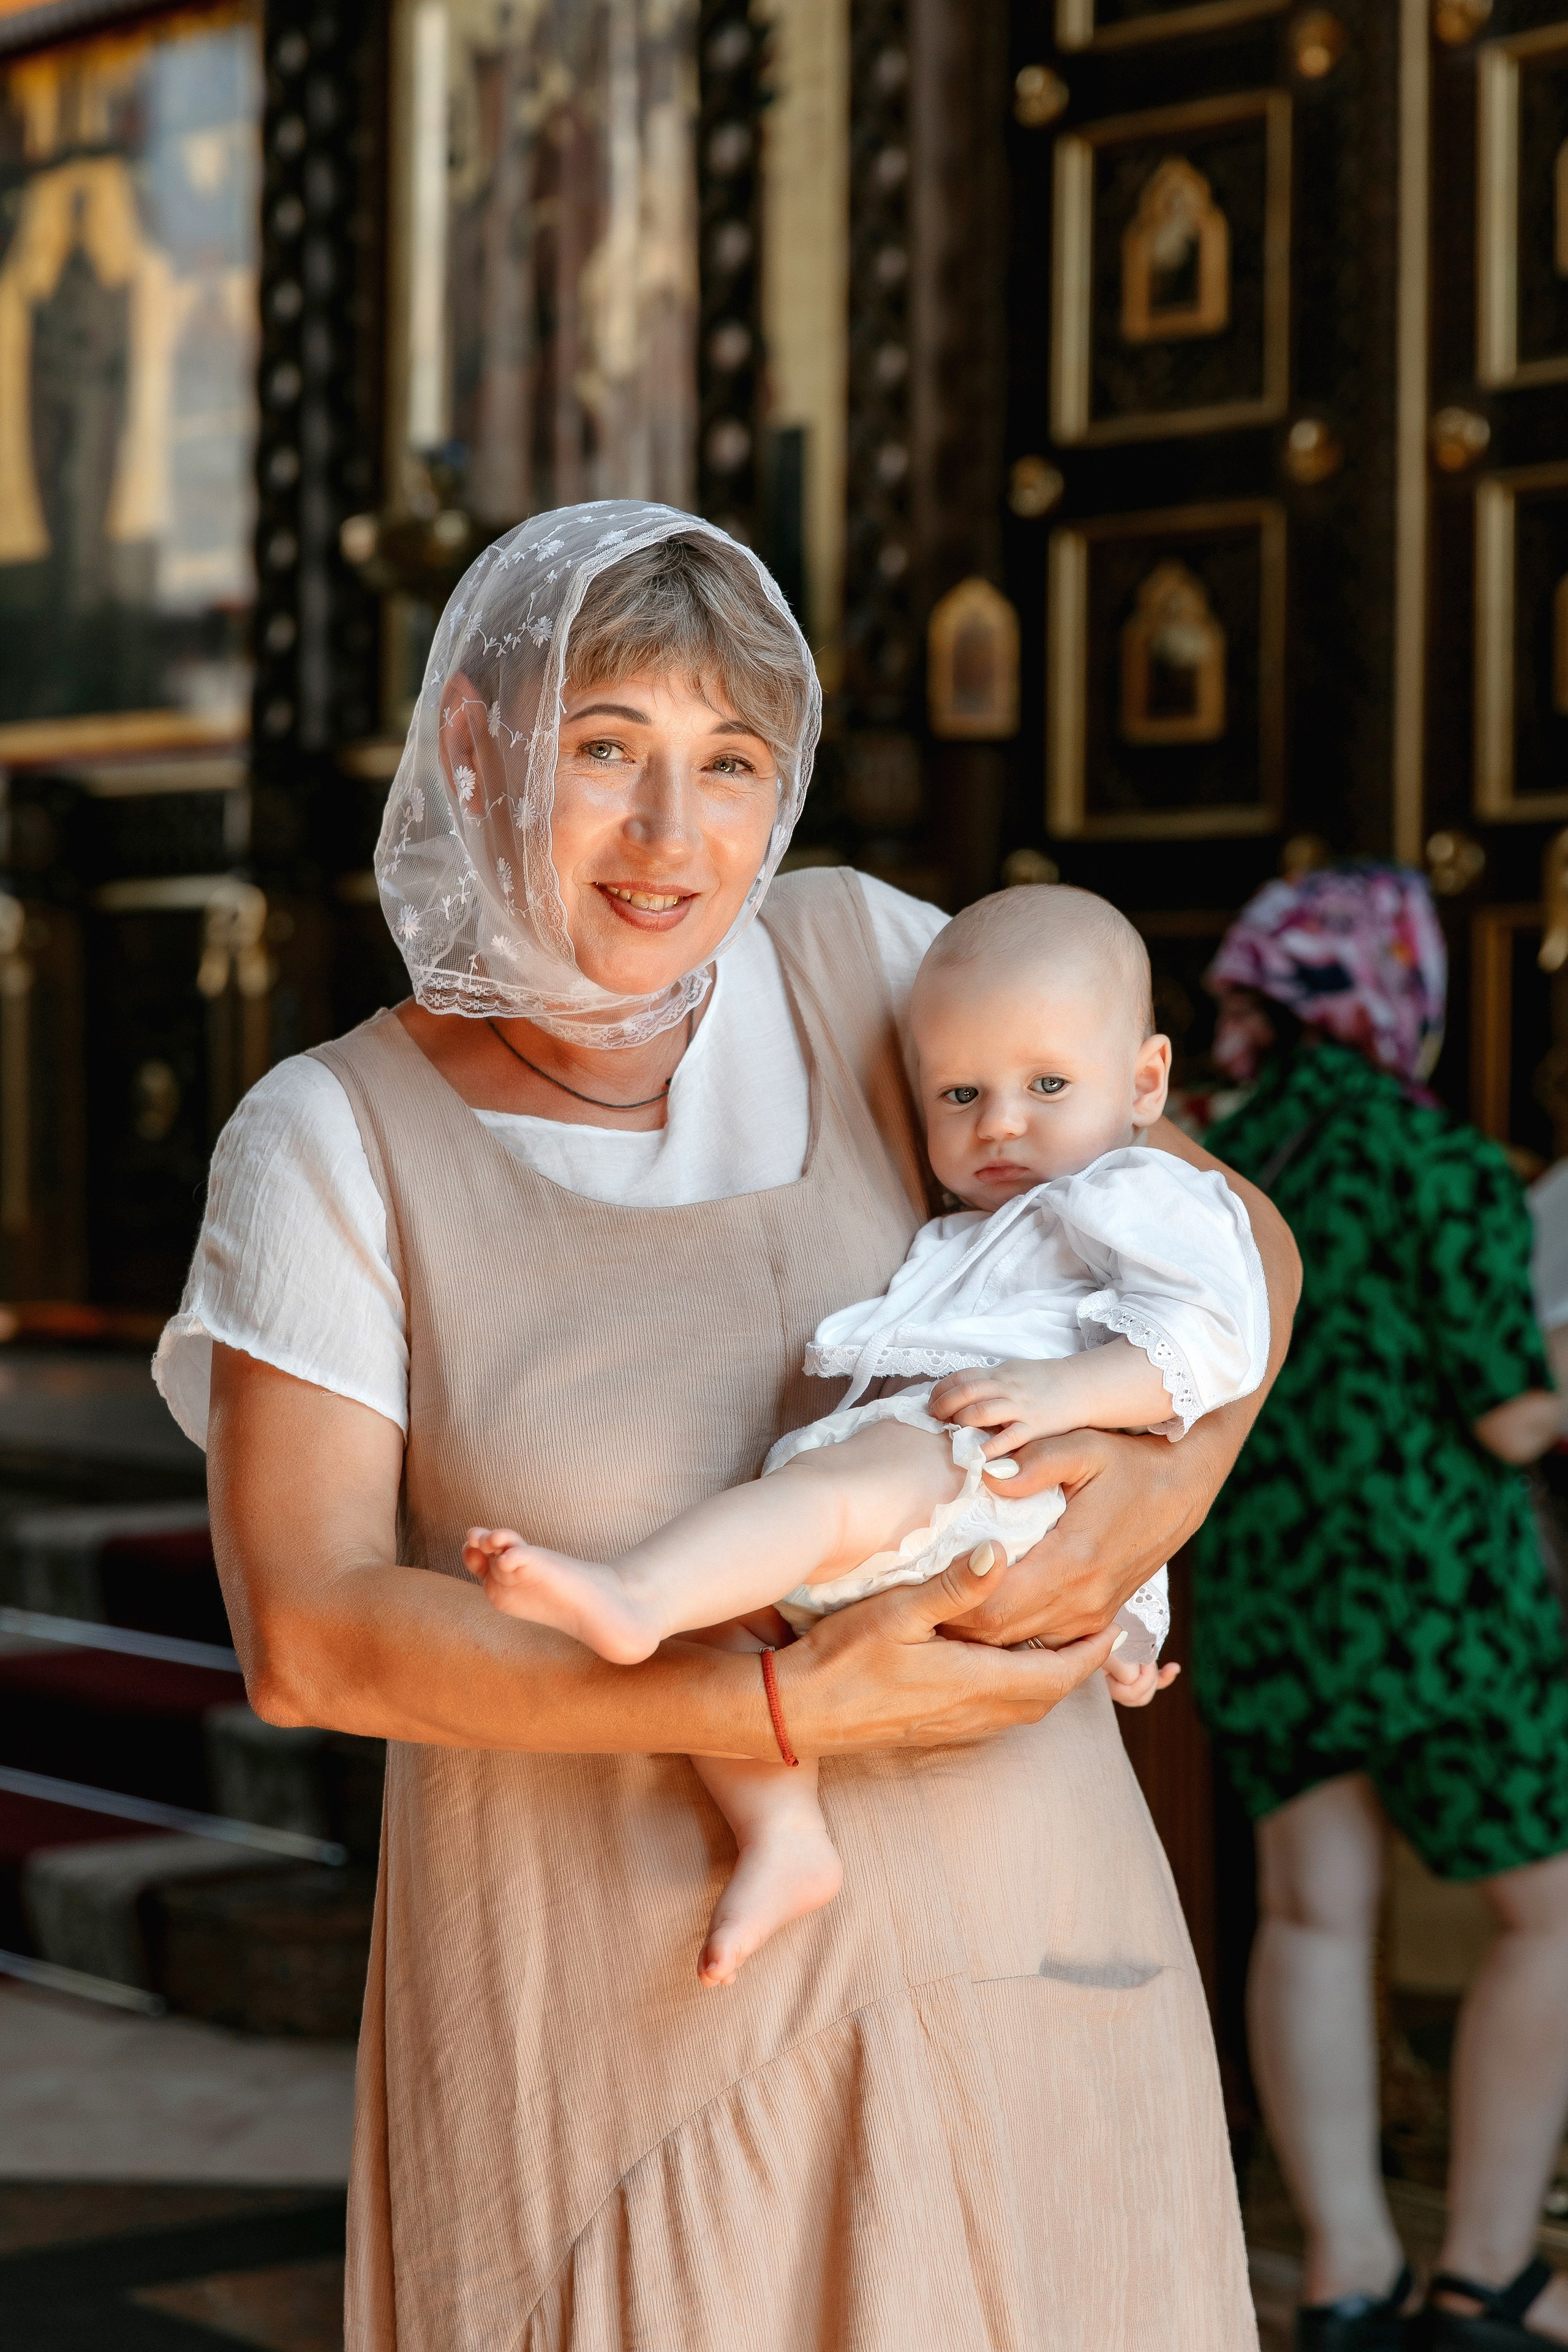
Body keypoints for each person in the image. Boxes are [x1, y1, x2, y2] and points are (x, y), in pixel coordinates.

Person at [156, 502, 1298, 2350]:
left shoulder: (874, 959)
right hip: (631, 2032)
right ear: (475, 746)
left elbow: (1226, 1237)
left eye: (732, 764)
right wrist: (769, 1711)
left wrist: (1148, 1502)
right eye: (606, 750)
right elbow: (309, 1634)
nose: (672, 837)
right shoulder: (328, 1140)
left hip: (1036, 1970)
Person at [467, 883, 1266, 1986]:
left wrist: (1065, 1392)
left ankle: (634, 1595)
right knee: (729, 1620)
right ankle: (784, 1835)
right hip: (948, 1488)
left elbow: (1216, 1337)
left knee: (815, 1507)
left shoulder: (1137, 1191)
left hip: (998, 1471)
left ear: (1144, 1083)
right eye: (960, 1093)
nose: (1001, 1123)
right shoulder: (975, 1229)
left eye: (1046, 1085)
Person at [1191, 864, 1568, 2352]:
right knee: (1548, 1918)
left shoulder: (1209, 1172)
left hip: (1265, 1594)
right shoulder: (1439, 1163)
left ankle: (1345, 2274)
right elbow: (1507, 1416)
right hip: (1439, 1607)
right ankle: (1486, 2273)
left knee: (1308, 1912)